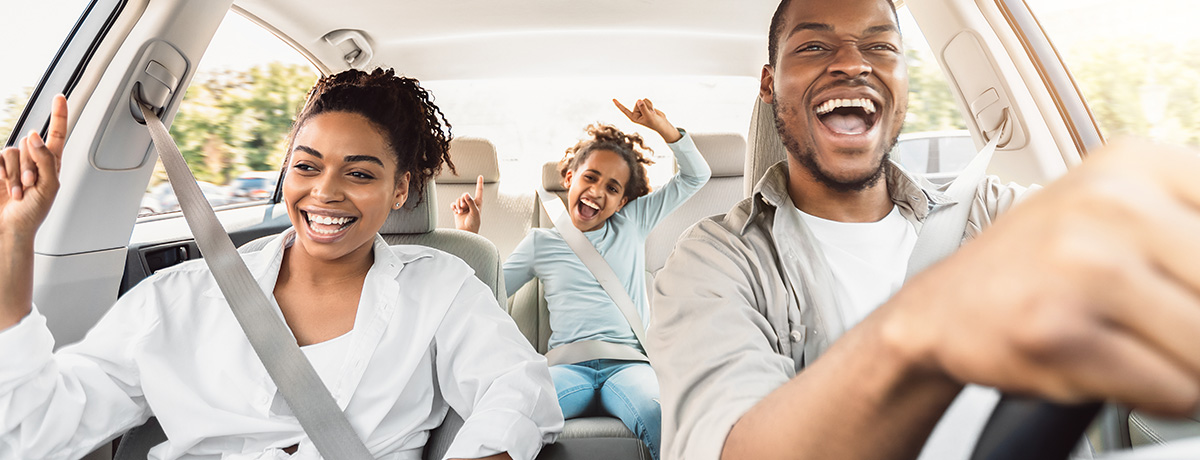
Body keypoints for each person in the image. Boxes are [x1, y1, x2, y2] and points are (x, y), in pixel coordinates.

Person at [647, 0, 1200, 459]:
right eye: (815, 46)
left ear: (904, 78)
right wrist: (922, 331)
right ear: (770, 84)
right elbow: (730, 447)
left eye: (881, 46)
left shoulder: (989, 214)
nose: (853, 64)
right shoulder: (711, 262)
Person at [0, 69, 563, 460]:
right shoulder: (177, 299)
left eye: (361, 173)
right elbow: (35, 434)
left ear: (400, 191)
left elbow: (520, 388)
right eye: (306, 166)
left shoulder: (440, 287)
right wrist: (15, 241)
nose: (326, 192)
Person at [452, 99, 712, 460]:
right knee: (512, 414)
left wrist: (664, 129)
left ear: (622, 202)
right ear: (570, 177)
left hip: (629, 366)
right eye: (590, 177)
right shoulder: (541, 242)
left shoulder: (633, 223)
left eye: (612, 188)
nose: (597, 192)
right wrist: (472, 238)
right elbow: (490, 297)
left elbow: (696, 175)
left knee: (661, 413)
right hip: (565, 369)